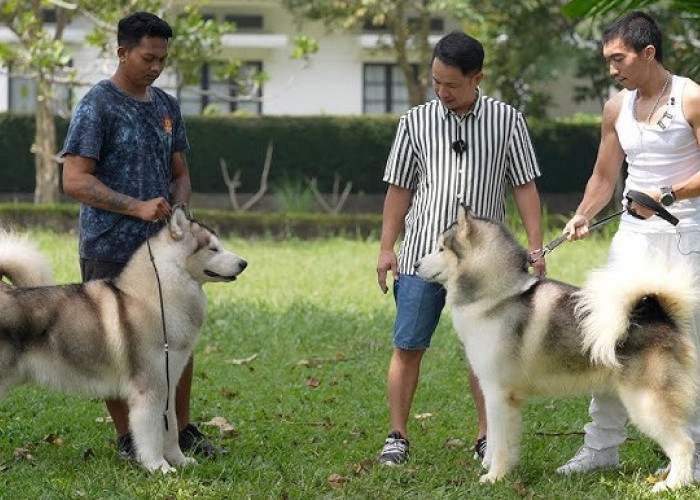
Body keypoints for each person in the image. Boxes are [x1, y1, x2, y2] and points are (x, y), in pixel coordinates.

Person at [376, 30, 546, 466]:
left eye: (451, 84)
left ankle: (486, 436)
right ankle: (397, 435)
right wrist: (386, 248)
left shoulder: (508, 121)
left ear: (477, 77)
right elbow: (398, 190)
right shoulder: (415, 122)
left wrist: (536, 245)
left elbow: (525, 187)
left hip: (485, 264)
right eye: (436, 81)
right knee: (408, 343)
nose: (442, 91)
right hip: (423, 254)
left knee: (485, 351)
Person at [61, 11, 221, 459]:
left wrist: (182, 216)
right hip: (110, 246)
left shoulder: (167, 107)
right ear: (122, 52)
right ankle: (131, 437)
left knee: (178, 335)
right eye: (147, 57)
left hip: (167, 252)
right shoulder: (97, 106)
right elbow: (74, 180)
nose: (155, 66)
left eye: (162, 59)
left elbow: (180, 172)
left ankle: (180, 431)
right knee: (115, 346)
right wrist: (136, 206)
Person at [556, 11, 700, 477]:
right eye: (608, 60)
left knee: (685, 346)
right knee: (610, 339)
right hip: (631, 241)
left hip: (686, 238)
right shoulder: (616, 107)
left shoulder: (691, 98)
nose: (613, 69)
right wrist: (584, 213)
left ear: (648, 53)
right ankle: (601, 447)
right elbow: (604, 176)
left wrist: (668, 194)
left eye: (619, 59)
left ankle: (691, 454)